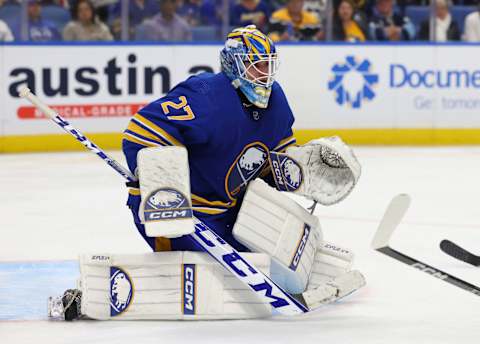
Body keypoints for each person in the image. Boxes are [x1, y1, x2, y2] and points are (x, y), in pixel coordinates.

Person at [52, 25, 364, 321]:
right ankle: (92, 294)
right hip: (183, 212)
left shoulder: (276, 100)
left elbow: (275, 159)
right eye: (256, 67)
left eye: (269, 66)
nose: (265, 75)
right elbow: (141, 132)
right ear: (233, 66)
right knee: (218, 279)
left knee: (267, 266)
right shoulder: (205, 94)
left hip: (231, 209)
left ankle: (302, 266)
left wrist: (299, 171)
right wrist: (161, 184)